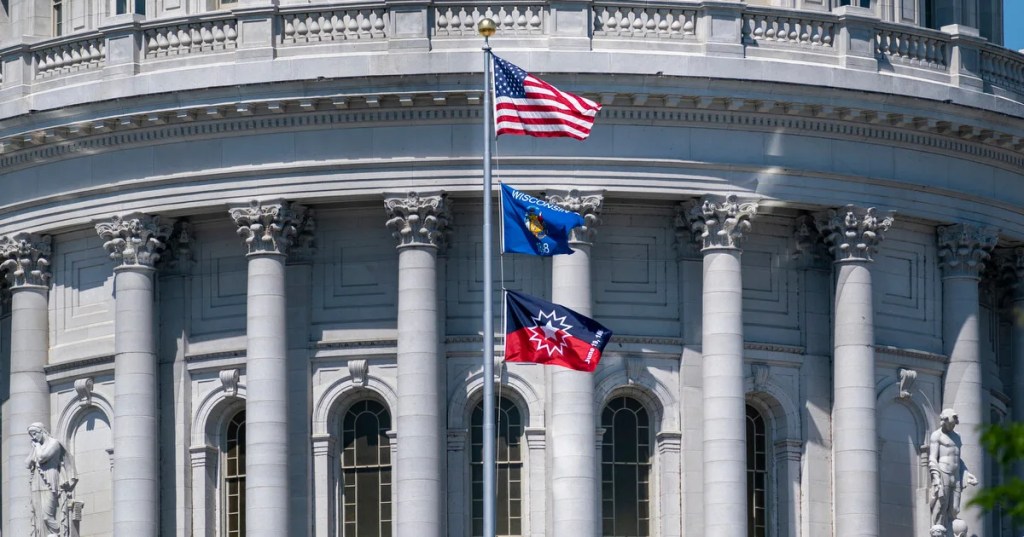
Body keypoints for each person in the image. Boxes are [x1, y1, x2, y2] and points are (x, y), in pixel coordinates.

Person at [928, 409, 978, 532]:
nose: (952, 426)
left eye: (954, 424)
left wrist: (966, 473)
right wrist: (936, 476)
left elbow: (957, 458)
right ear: (944, 421)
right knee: (941, 505)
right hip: (943, 471)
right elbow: (932, 457)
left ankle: (950, 532)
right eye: (950, 424)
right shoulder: (937, 435)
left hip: (956, 475)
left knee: (955, 509)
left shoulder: (957, 436)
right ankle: (937, 530)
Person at [25, 423, 77, 537]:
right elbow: (27, 464)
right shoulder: (37, 446)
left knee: (47, 515)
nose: (33, 437)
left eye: (34, 434)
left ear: (42, 431)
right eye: (31, 435)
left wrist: (37, 446)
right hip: (36, 481)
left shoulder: (54, 443)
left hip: (50, 478)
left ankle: (56, 533)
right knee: (38, 515)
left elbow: (42, 458)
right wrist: (33, 449)